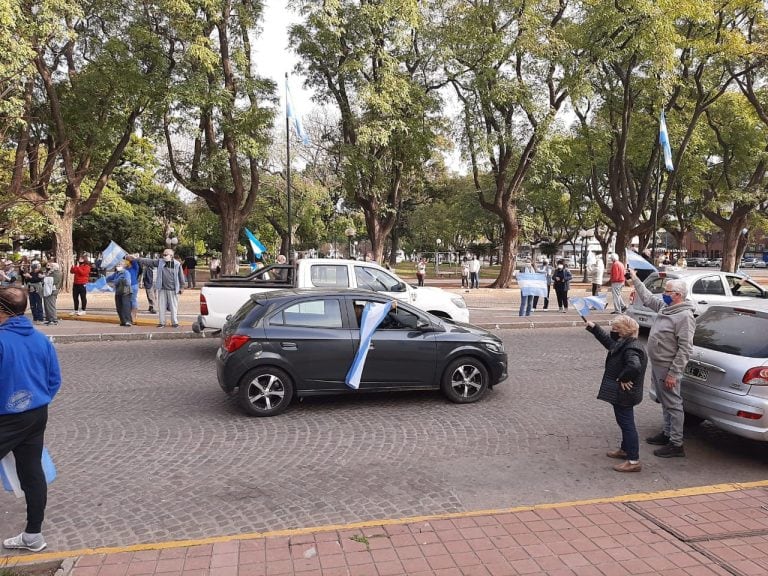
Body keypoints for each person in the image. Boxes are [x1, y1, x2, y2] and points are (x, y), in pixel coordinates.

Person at [0, 286, 62, 553]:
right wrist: (33, 399)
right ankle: (33, 535)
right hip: (36, 414)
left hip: (6, 418)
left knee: (32, 472)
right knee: (32, 472)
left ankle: (33, 536)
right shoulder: (40, 339)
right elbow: (53, 381)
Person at [629, 269, 695, 458]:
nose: (664, 295)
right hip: (658, 363)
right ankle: (667, 433)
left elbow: (685, 348)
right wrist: (635, 279)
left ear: (678, 295)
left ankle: (676, 443)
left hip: (668, 366)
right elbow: (648, 298)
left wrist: (674, 373)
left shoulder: (684, 317)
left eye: (667, 292)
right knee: (664, 401)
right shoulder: (667, 308)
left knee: (673, 403)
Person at [585, 315, 648, 472]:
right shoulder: (625, 343)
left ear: (623, 332)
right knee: (625, 422)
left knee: (627, 425)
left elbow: (634, 366)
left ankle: (633, 461)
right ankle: (625, 450)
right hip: (624, 393)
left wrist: (622, 378)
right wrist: (594, 328)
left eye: (614, 329)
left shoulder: (631, 348)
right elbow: (610, 343)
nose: (612, 331)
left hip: (625, 394)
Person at [128, 249, 185, 328]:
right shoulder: (160, 262)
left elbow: (181, 277)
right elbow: (149, 261)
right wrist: (136, 259)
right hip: (162, 288)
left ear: (171, 256)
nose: (164, 256)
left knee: (173, 306)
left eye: (166, 255)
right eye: (163, 255)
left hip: (173, 289)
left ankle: (175, 322)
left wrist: (182, 287)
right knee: (161, 306)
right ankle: (162, 323)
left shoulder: (177, 264)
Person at [106, 262, 133, 326]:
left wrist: (118, 281)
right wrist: (103, 280)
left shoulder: (126, 272)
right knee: (119, 307)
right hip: (118, 291)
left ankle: (128, 321)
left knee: (126, 306)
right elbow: (108, 279)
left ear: (124, 266)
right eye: (117, 265)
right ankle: (123, 321)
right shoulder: (116, 273)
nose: (117, 266)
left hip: (126, 291)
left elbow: (128, 282)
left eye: (119, 265)